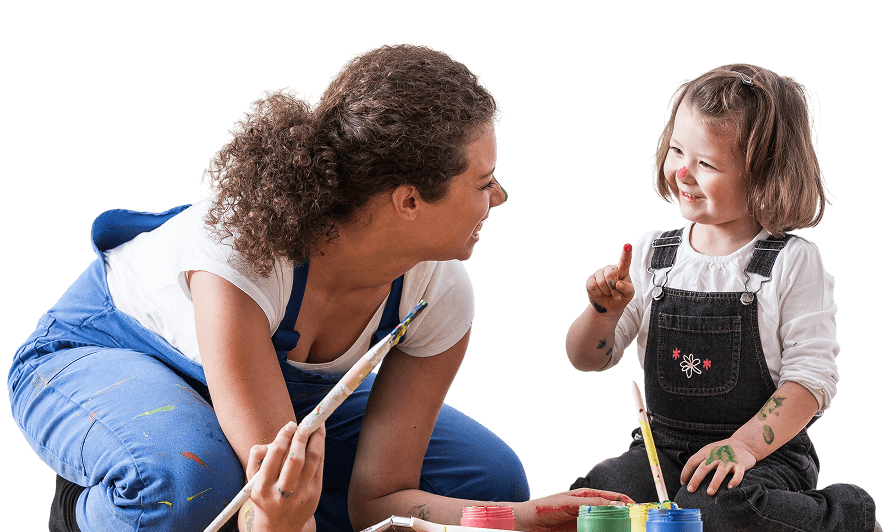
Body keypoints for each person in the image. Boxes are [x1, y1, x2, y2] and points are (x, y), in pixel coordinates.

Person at [10, 44, 632, 532]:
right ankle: (101, 511)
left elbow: (381, 501)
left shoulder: (439, 294)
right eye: (484, 181)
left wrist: (526, 521)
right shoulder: (242, 251)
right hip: (103, 355)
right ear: (408, 200)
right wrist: (275, 521)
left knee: (488, 489)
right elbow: (277, 505)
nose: (499, 197)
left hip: (271, 396)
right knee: (189, 482)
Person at [564, 63, 880, 531]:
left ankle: (848, 518)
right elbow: (586, 359)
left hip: (766, 455)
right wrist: (602, 312)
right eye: (676, 151)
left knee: (716, 509)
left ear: (765, 175)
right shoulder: (654, 253)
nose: (682, 173)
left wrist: (745, 446)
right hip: (662, 450)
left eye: (706, 164)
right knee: (595, 501)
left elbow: (811, 382)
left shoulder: (793, 261)